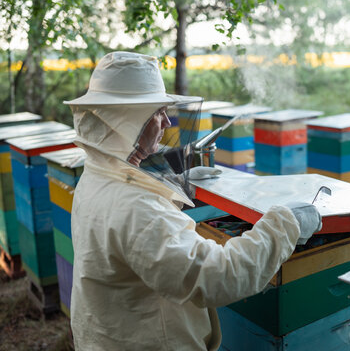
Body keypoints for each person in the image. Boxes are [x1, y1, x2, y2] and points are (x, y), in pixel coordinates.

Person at [65, 51, 322, 350]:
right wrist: (285, 224)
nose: (165, 122)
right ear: (128, 121)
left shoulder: (95, 174)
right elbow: (216, 276)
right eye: (157, 112)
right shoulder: (136, 207)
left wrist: (166, 183)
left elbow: (130, 235)